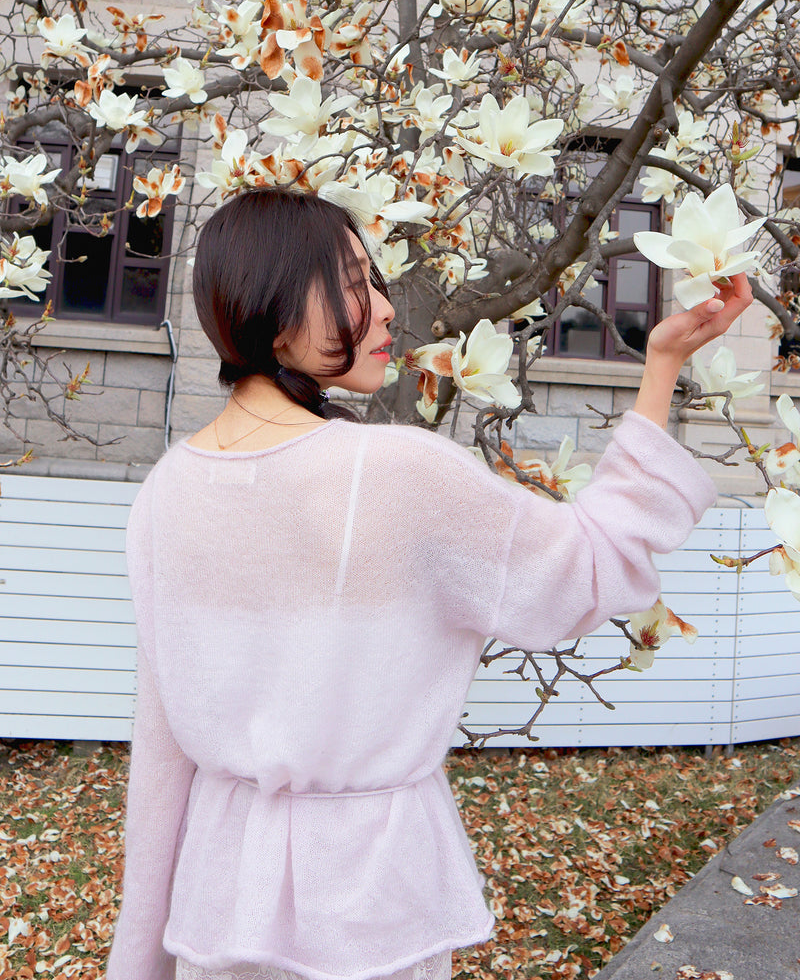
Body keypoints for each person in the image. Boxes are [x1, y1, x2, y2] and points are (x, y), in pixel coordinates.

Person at [105, 185, 753, 980]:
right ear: (274, 304)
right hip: (368, 901)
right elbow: (588, 567)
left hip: (218, 902)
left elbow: (163, 758)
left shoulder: (167, 492)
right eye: (352, 283)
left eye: (375, 280)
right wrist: (660, 368)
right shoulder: (395, 471)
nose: (382, 309)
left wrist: (139, 959)